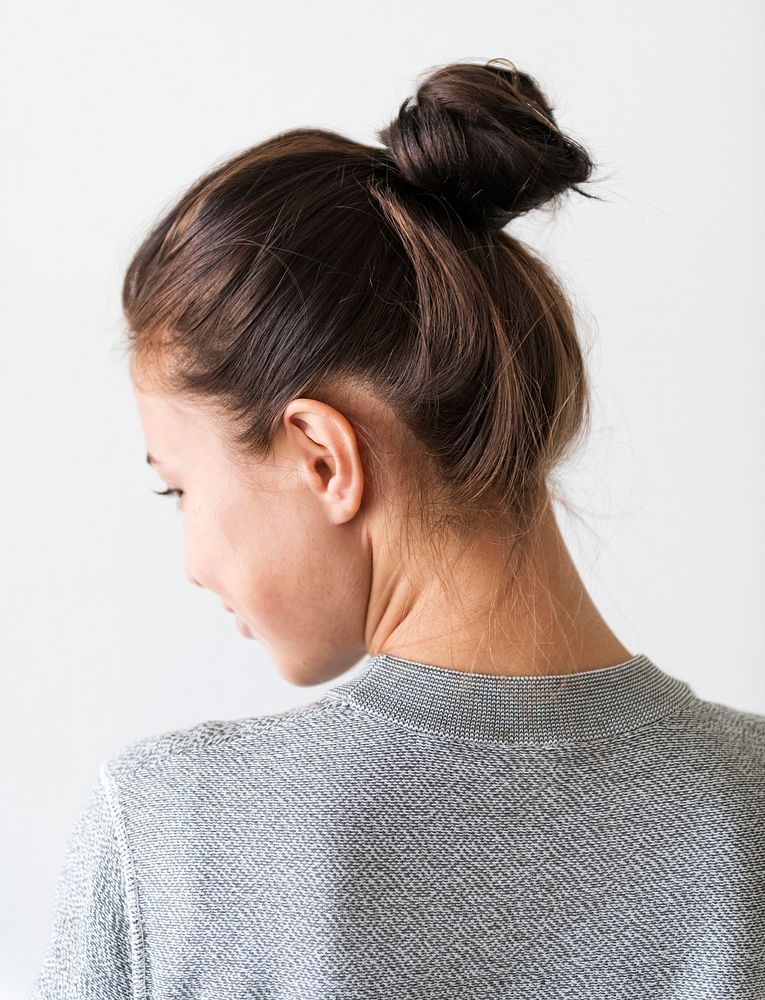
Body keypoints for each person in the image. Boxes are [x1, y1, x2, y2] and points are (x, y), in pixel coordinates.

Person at [31, 58, 764, 999]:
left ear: (323, 459)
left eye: (178, 491)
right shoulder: (749, 812)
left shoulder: (171, 839)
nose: (191, 562)